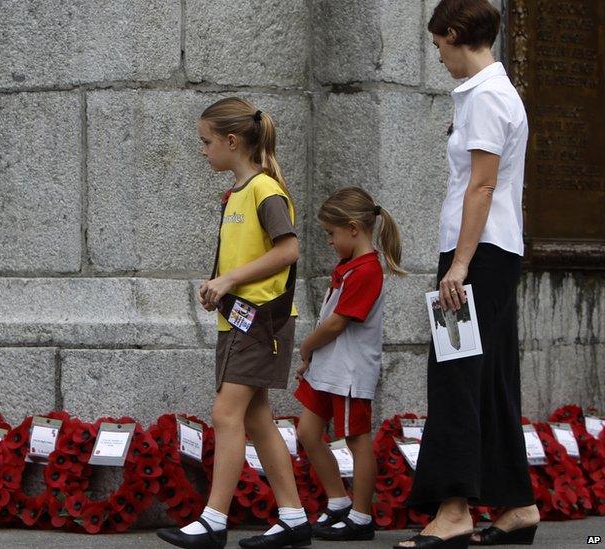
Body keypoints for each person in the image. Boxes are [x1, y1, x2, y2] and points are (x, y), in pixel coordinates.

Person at [398, 1, 538, 547]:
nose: (438, 56)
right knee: (492, 376)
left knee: (455, 376)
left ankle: (454, 512)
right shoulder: (497, 93)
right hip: (492, 252)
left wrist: (457, 265)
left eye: (438, 45)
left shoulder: (484, 97)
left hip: (475, 255)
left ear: (455, 35)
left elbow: (481, 185)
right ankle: (519, 505)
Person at [156, 97, 307, 549]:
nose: (203, 151)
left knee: (226, 415)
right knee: (256, 418)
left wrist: (229, 280)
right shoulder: (238, 193)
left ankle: (213, 520)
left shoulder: (265, 189)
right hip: (243, 321)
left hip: (261, 322)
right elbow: (248, 257)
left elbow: (288, 250)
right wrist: (217, 287)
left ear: (232, 141)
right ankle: (294, 518)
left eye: (206, 142)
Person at [294, 187, 406, 543]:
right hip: (329, 369)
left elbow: (338, 323)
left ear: (354, 228)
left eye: (332, 233)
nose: (329, 240)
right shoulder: (350, 265)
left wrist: (307, 346)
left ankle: (360, 516)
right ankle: (338, 501)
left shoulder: (368, 269)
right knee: (308, 434)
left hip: (348, 374)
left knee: (357, 441)